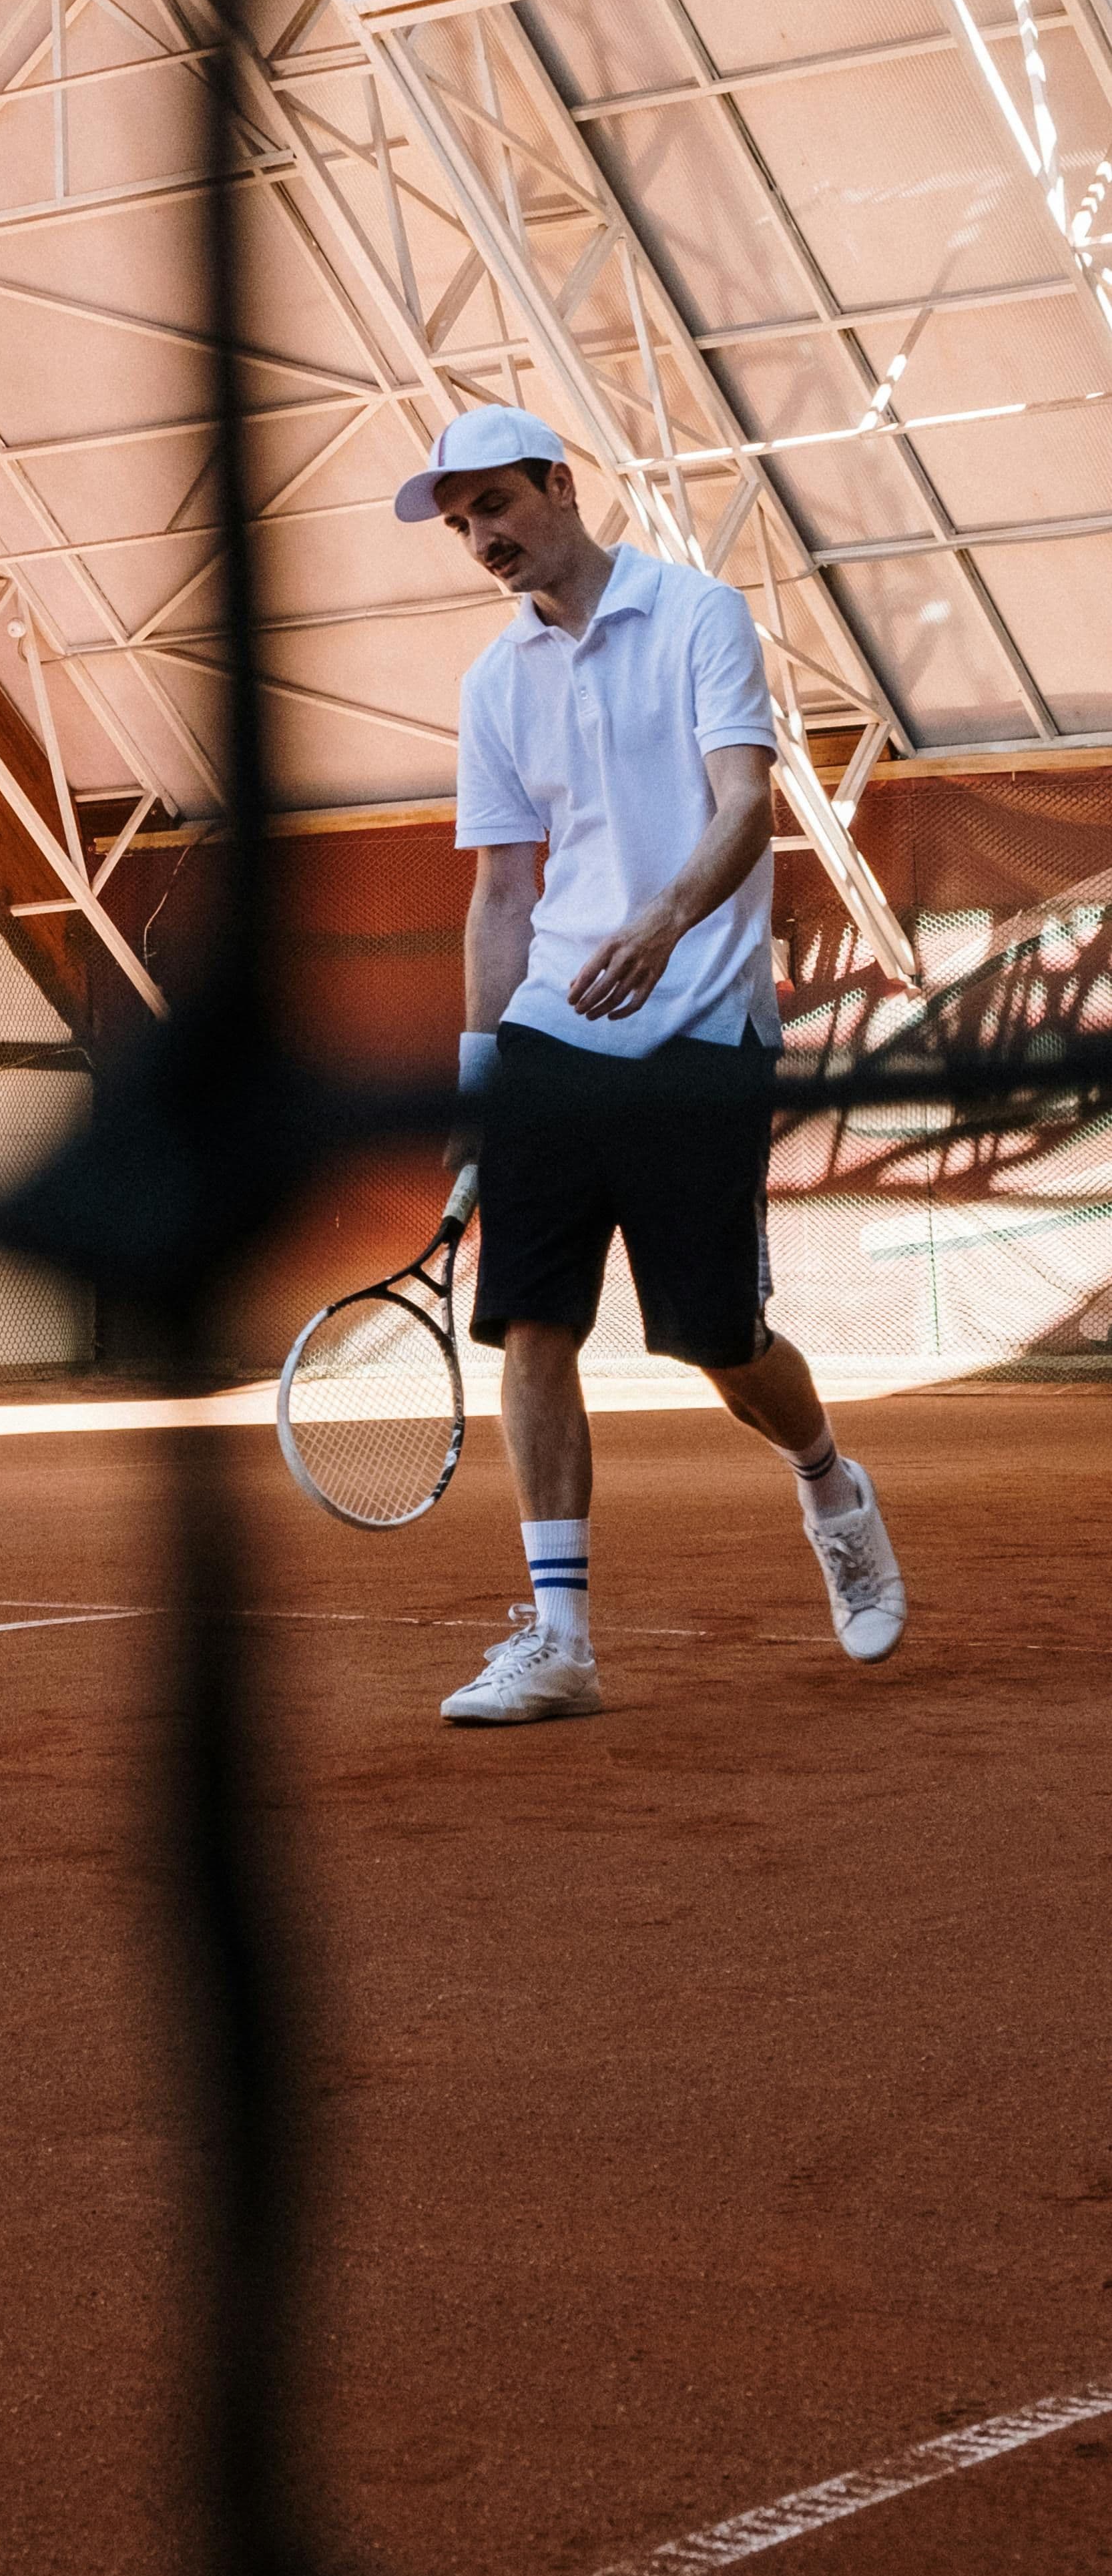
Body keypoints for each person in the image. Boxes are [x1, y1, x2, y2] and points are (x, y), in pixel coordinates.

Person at [395, 405, 907, 1724]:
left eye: (494, 504)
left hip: (700, 1025)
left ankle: (826, 1478)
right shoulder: (491, 684)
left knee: (716, 1337)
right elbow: (503, 894)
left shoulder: (696, 617)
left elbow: (746, 802)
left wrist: (667, 920)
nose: (479, 537)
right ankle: (559, 1639)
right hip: (554, 1032)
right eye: (458, 523)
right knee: (529, 1321)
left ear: (560, 486)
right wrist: (478, 1072)